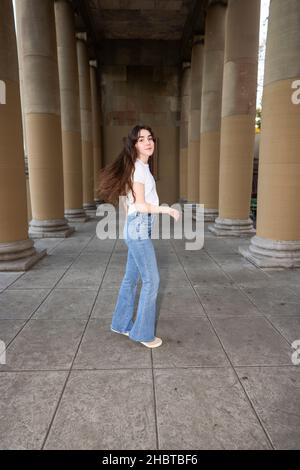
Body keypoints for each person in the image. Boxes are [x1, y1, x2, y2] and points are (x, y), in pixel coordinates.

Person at [97, 125, 180, 348]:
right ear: (134, 144)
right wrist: (168, 210)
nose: (148, 142)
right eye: (141, 139)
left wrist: (130, 226)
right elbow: (142, 205)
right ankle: (142, 334)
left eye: (150, 138)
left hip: (136, 228)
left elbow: (128, 203)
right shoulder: (139, 169)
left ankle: (121, 323)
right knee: (152, 280)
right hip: (139, 228)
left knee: (131, 279)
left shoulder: (139, 167)